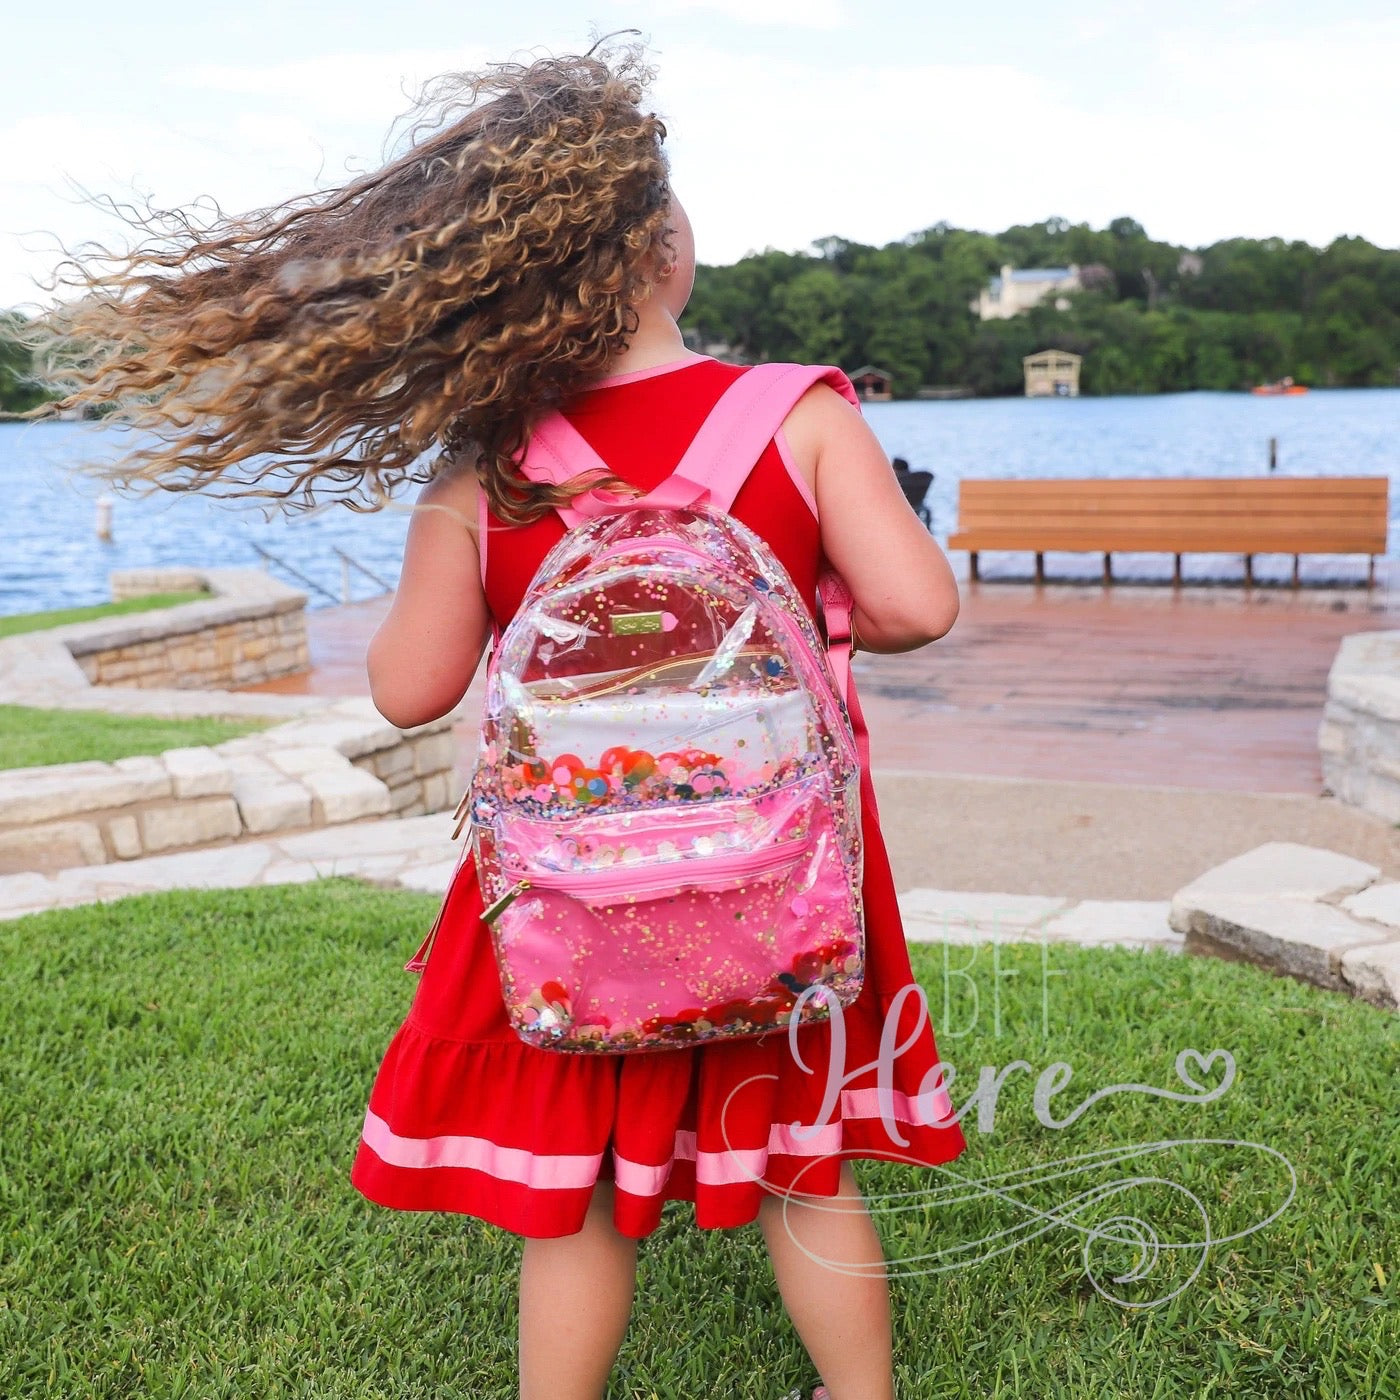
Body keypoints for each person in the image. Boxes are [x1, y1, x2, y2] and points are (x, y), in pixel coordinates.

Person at [27, 41, 967, 1400]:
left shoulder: (488, 464)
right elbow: (919, 604)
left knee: (571, 1189)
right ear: (661, 246)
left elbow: (411, 690)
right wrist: (792, 616)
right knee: (798, 1158)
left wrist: (458, 519)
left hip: (575, 889)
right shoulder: (797, 413)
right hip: (779, 872)